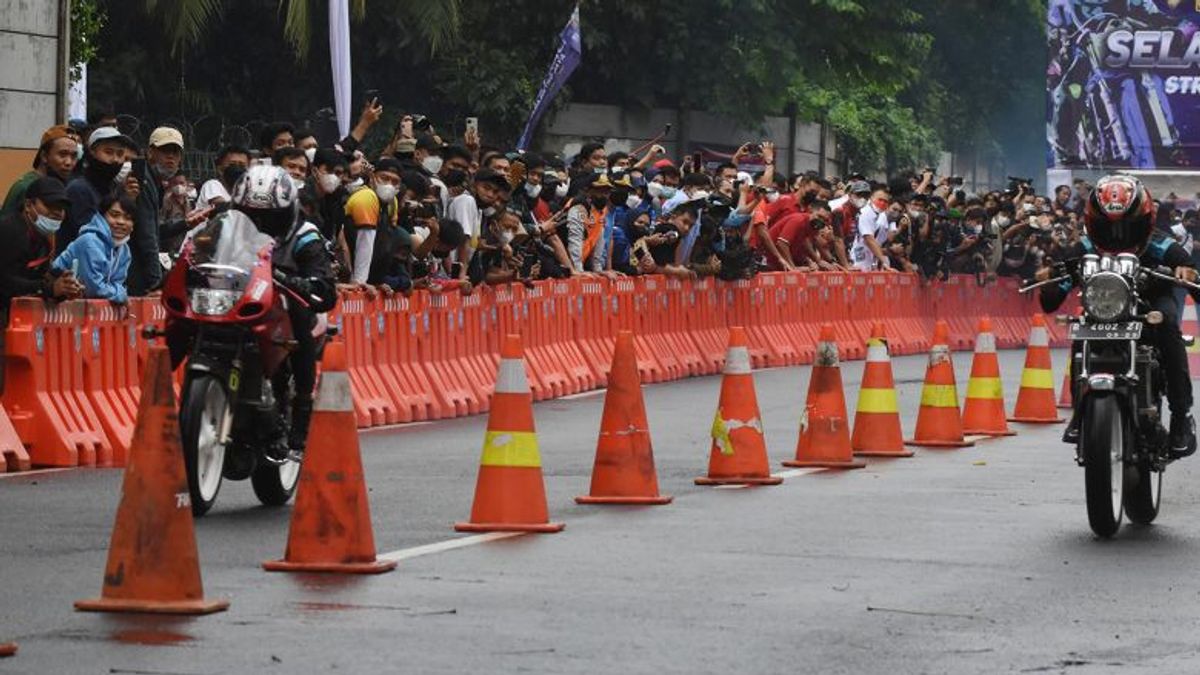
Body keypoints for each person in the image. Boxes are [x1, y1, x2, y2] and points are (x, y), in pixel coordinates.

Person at [1036, 175, 1197, 458]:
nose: (1117, 234)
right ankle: (1080, 413)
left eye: (1126, 226)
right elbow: (1051, 298)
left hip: (1151, 303)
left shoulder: (1159, 244)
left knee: (1169, 326)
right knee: (1082, 330)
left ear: (1144, 220)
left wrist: (1186, 271)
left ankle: (1181, 416)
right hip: (1104, 306)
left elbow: (1187, 264)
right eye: (1107, 227)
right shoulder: (1085, 248)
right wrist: (1051, 277)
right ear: (1093, 221)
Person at [230, 165, 337, 461]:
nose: (259, 223)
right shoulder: (227, 226)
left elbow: (325, 287)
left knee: (299, 312)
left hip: (287, 308)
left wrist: (297, 281)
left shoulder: (305, 234)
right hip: (237, 302)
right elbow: (198, 248)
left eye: (270, 217)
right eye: (251, 215)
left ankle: (302, 411)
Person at [0, 177, 84, 392]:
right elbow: (5, 281)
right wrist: (47, 288)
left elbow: (36, 279)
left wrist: (63, 287)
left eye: (62, 209)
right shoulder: (9, 230)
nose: (57, 214)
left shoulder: (46, 239)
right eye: (50, 207)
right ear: (29, 205)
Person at [51, 193, 134, 304]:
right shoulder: (89, 241)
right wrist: (121, 295)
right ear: (101, 217)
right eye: (114, 215)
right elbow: (93, 288)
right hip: (58, 304)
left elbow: (117, 284)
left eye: (128, 218)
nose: (121, 222)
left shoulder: (124, 250)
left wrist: (118, 293)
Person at [64, 126, 139, 248]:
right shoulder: (79, 189)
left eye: (120, 154)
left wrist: (127, 202)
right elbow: (93, 238)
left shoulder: (113, 189)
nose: (115, 159)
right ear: (92, 152)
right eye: (108, 152)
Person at [1, 125, 81, 217]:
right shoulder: (26, 187)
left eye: (74, 156)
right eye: (62, 154)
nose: (68, 162)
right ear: (44, 156)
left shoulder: (63, 185)